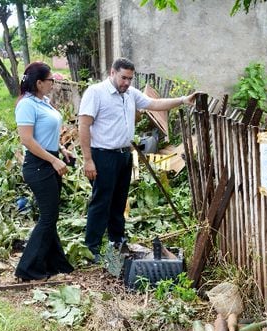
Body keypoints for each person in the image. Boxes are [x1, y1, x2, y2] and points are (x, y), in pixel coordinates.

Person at [78, 57, 198, 264]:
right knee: (101, 202)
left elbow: (155, 104)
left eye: (130, 79)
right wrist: (88, 160)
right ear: (112, 72)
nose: (126, 82)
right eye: (123, 78)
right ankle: (92, 250)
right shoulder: (96, 93)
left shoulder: (130, 94)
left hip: (124, 155)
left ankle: (117, 242)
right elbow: (83, 125)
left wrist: (183, 100)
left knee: (119, 202)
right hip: (103, 155)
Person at [14, 62, 75, 281]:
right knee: (49, 217)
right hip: (38, 165)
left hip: (49, 160)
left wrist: (61, 150)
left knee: (51, 216)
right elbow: (27, 140)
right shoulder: (26, 105)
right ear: (39, 83)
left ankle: (55, 263)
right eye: (50, 80)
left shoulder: (44, 102)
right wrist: (53, 160)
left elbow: (45, 133)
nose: (53, 84)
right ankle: (27, 269)